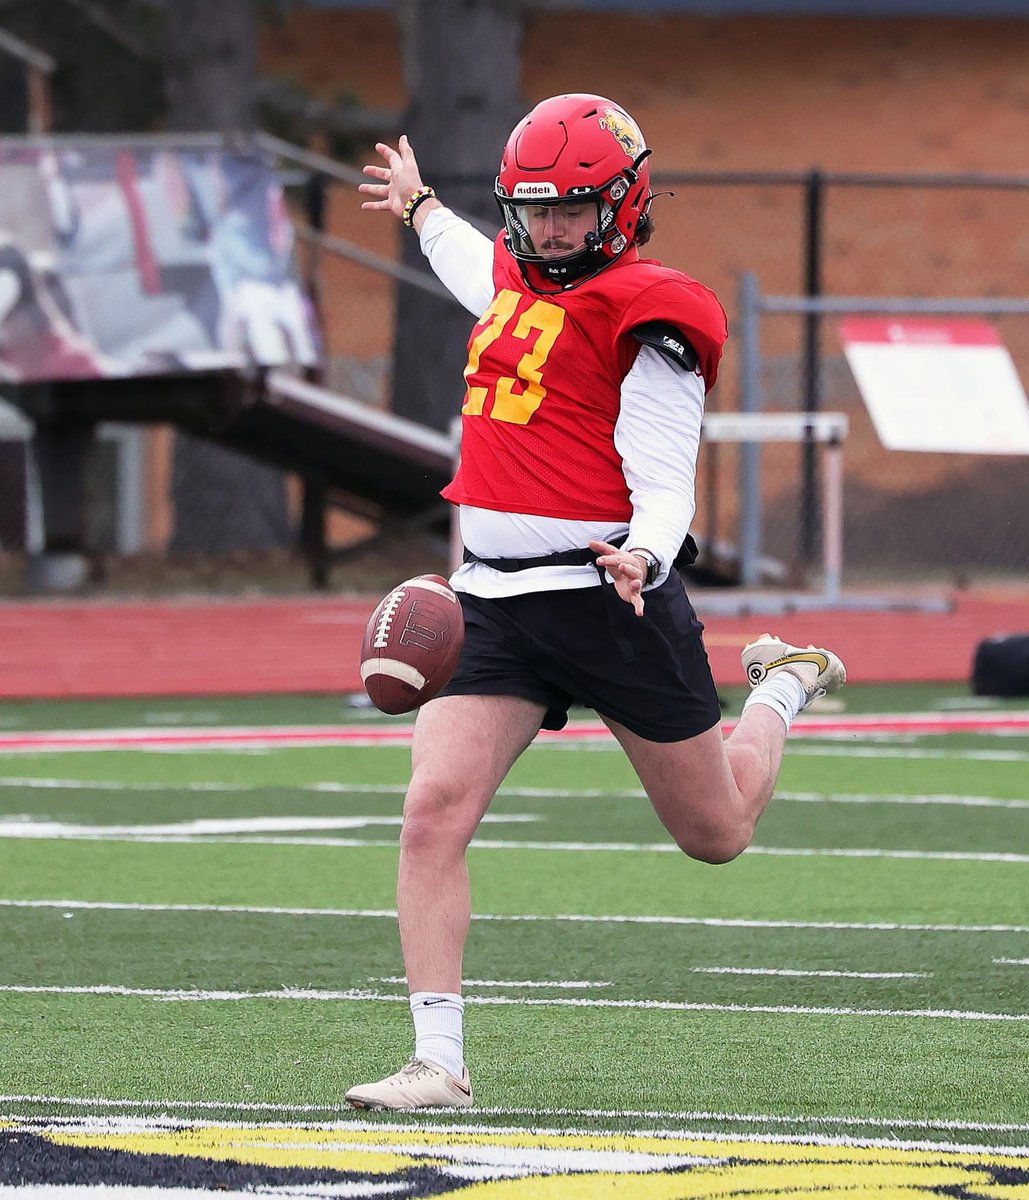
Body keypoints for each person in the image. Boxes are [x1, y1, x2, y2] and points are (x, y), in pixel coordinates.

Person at [347, 94, 845, 1111]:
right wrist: (419, 206)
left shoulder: (651, 307)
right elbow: (469, 261)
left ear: (623, 202)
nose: (550, 228)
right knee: (432, 811)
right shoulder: (512, 271)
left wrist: (648, 559)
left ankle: (782, 687)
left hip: (607, 596)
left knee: (717, 834)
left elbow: (665, 477)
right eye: (533, 209)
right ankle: (437, 1062)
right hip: (491, 601)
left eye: (572, 209)